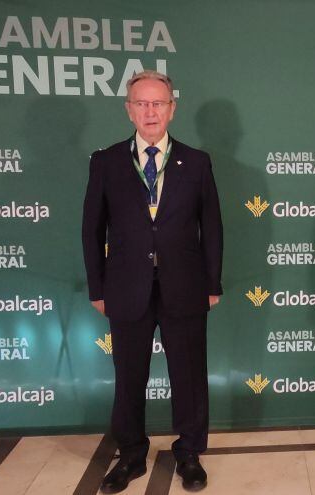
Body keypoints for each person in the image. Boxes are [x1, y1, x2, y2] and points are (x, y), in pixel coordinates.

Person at [82, 70, 222, 493]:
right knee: (129, 376)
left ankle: (190, 453)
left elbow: (211, 227)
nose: (150, 111)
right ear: (128, 110)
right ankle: (129, 455)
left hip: (185, 286)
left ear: (172, 109)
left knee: (189, 375)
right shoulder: (105, 161)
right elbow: (92, 229)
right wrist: (97, 288)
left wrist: (212, 283)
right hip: (126, 288)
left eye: (158, 103)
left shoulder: (196, 161)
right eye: (141, 103)